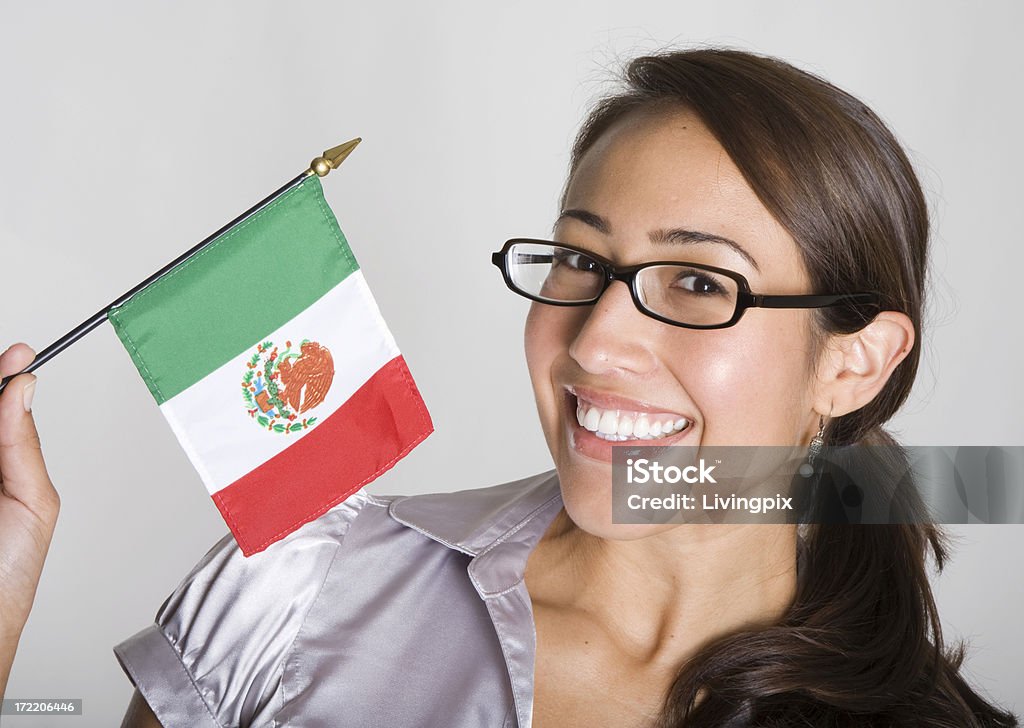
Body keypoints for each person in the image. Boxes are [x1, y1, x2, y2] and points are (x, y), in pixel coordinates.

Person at [1, 48, 1019, 727]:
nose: (598, 337)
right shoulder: (294, 587)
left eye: (700, 281)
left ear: (855, 361)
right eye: (580, 260)